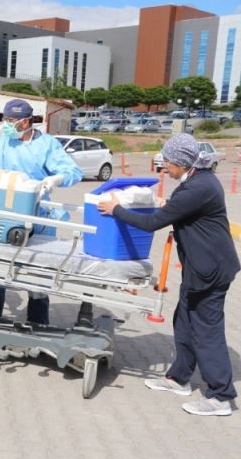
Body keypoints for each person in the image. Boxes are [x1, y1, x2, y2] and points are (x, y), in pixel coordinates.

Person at [98, 133, 238, 416]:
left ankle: (221, 396)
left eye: (168, 163)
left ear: (182, 163)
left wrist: (116, 209)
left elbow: (152, 224)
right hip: (200, 269)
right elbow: (184, 210)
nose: (165, 168)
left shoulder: (198, 188)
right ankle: (179, 378)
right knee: (184, 322)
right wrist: (169, 205)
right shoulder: (198, 180)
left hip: (210, 271)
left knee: (206, 332)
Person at [0, 99, 83, 324]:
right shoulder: (3, 143)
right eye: (5, 120)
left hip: (39, 216)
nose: (6, 125)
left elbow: (73, 171)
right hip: (8, 214)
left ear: (26, 122)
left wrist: (57, 178)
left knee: (37, 276)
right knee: (0, 270)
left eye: (11, 121)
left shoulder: (47, 145)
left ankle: (38, 325)